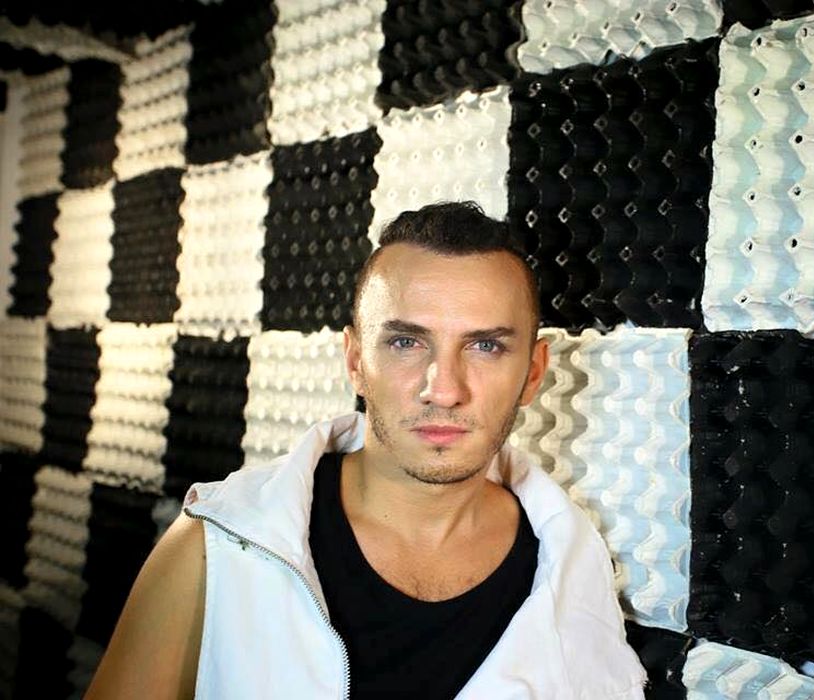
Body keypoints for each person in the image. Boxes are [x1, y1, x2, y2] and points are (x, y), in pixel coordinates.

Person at [85, 201, 647, 699]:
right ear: (355, 361)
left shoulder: (574, 567)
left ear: (534, 372)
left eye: (485, 346)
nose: (444, 390)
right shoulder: (219, 542)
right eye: (406, 342)